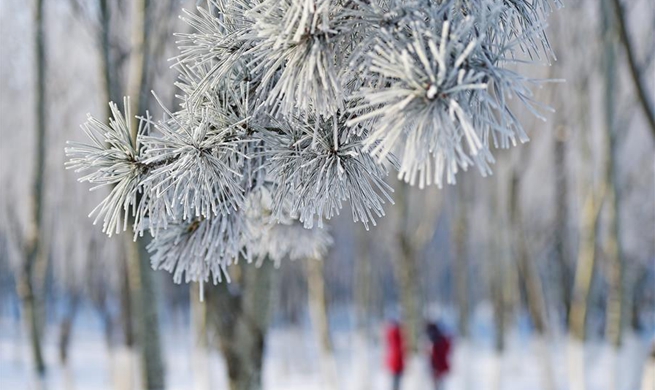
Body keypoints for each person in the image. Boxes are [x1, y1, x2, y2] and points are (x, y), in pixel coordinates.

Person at [426, 322, 451, 390]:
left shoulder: (436, 341)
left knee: (438, 385)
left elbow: (435, 355)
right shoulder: (441, 339)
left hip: (437, 368)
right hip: (438, 368)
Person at [385, 320, 405, 390]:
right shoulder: (396, 336)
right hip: (396, 366)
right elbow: (398, 353)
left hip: (395, 365)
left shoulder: (392, 335)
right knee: (395, 385)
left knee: (395, 384)